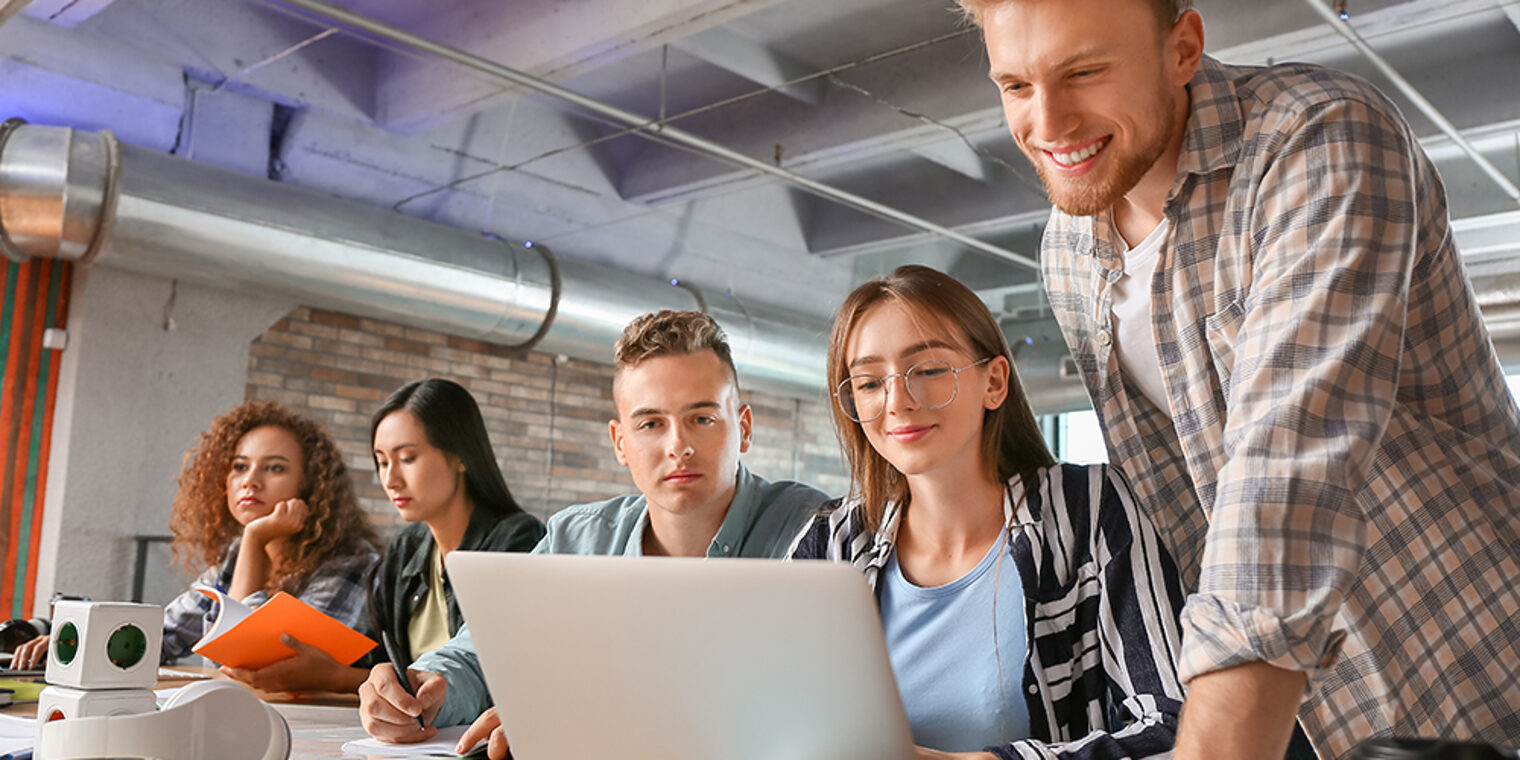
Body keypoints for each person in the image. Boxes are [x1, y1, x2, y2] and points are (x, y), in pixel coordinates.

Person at [957, 0, 1520, 757]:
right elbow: (1183, 512)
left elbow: (1285, 475)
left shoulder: (1318, 137)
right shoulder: (1067, 251)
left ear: (1182, 48)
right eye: (1016, 86)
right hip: (1294, 716)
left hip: (1468, 655)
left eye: (1083, 71)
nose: (1048, 123)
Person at [357, 310, 831, 760]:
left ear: (743, 428)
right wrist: (425, 686)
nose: (678, 446)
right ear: (620, 443)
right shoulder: (574, 538)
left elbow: (819, 704)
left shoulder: (817, 528)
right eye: (650, 424)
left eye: (702, 418)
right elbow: (484, 650)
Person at [788, 265, 1186, 760]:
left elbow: (1174, 728)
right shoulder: (833, 542)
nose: (897, 402)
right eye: (868, 383)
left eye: (928, 371)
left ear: (994, 382)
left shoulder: (1086, 512)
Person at [14, 401, 381, 688]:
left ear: (310, 486)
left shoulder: (349, 563)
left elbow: (252, 663)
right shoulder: (235, 557)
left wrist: (255, 538)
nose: (249, 482)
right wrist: (66, 640)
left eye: (274, 468)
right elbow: (165, 637)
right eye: (239, 466)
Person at [224, 378, 548, 694]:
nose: (390, 479)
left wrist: (334, 678)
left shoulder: (519, 540)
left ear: (460, 456)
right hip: (409, 740)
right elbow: (371, 662)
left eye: (407, 458)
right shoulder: (406, 549)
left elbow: (489, 679)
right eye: (381, 462)